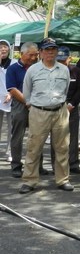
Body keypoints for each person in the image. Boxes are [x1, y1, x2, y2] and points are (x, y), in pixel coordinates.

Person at [18, 38, 73, 194]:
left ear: (56, 52)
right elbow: (26, 93)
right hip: (38, 112)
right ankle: (30, 181)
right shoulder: (32, 70)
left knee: (62, 148)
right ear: (40, 53)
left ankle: (63, 180)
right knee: (34, 148)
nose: (50, 52)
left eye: (53, 49)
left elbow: (66, 89)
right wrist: (32, 106)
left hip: (60, 112)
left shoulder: (64, 70)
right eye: (47, 49)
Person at [6, 42, 39, 178]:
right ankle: (16, 165)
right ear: (22, 54)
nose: (33, 58)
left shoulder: (39, 67)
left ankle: (38, 165)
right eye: (30, 55)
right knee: (17, 136)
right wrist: (27, 102)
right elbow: (12, 89)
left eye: (35, 55)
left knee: (38, 136)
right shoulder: (13, 68)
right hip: (20, 104)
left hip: (37, 104)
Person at [50, 46, 80, 174]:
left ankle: (74, 163)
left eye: (64, 60)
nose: (62, 63)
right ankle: (55, 164)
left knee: (73, 137)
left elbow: (79, 91)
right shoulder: (52, 71)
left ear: (69, 58)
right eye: (59, 60)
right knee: (56, 137)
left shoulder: (75, 71)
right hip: (56, 106)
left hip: (72, 106)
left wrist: (71, 104)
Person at [0, 39, 15, 162]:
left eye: (5, 47)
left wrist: (11, 93)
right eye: (0, 47)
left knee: (12, 127)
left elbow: (18, 81)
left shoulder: (14, 63)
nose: (3, 49)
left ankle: (9, 151)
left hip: (12, 98)